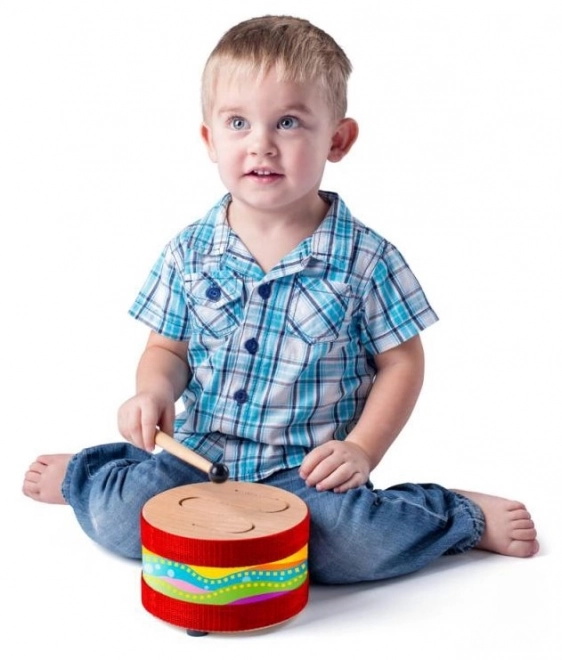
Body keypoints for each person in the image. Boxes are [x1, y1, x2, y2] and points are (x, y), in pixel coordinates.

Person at [23, 15, 538, 583]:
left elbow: (402, 363)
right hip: (197, 457)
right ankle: (90, 474)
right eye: (238, 123)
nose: (261, 144)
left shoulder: (365, 260)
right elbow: (166, 350)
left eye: (288, 122)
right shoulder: (189, 251)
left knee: (351, 545)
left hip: (306, 471)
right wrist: (151, 392)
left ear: (337, 140)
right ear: (209, 139)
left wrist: (362, 450)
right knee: (126, 522)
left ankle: (456, 514)